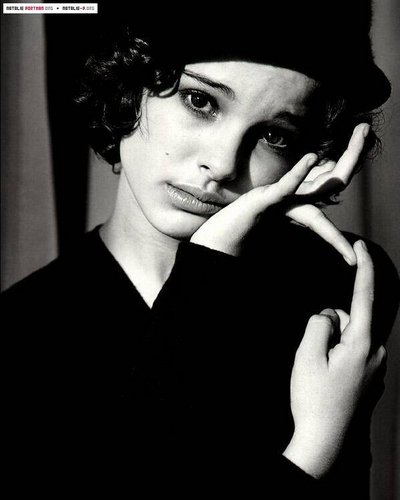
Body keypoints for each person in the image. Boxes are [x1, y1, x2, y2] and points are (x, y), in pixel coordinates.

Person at [2, 1, 399, 498]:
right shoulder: (21, 339)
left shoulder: (335, 281)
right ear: (128, 88)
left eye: (274, 135)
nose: (224, 163)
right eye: (200, 101)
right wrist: (314, 449)